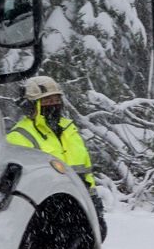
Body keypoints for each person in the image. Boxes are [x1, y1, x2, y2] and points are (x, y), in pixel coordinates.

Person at [7, 75, 106, 239]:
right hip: (46, 216)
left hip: (79, 207)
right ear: (32, 105)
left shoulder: (69, 129)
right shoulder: (18, 136)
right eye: (46, 101)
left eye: (55, 99)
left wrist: (94, 203)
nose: (53, 104)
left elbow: (85, 170)